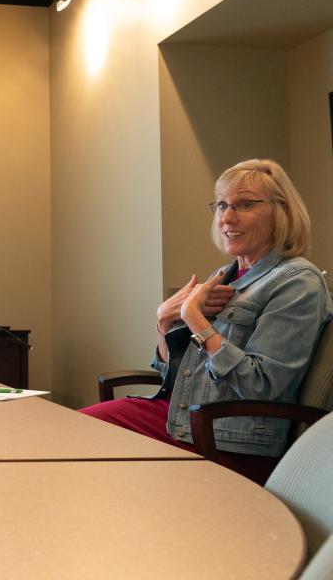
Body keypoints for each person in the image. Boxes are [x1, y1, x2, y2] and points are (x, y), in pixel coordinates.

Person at [80, 159, 333, 485]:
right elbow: (175, 373)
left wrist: (196, 320)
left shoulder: (297, 282)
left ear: (281, 212)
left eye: (244, 205)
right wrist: (165, 321)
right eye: (223, 205)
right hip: (182, 416)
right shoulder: (225, 276)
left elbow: (261, 386)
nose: (227, 218)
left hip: (225, 439)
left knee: (81, 445)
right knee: (73, 432)